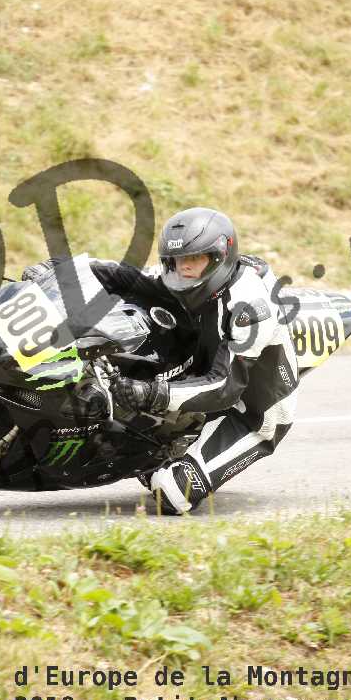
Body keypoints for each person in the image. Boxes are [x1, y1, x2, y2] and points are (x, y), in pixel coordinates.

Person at [87, 207, 301, 514]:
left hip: (251, 409)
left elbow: (226, 387)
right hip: (202, 373)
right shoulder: (181, 276)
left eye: (195, 259)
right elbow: (126, 276)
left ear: (219, 258)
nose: (184, 268)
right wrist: (64, 271)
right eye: (177, 260)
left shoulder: (250, 309)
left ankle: (169, 462)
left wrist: (151, 393)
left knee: (171, 495)